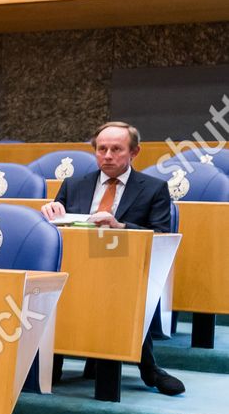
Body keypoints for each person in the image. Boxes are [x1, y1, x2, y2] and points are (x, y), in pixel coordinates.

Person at [41, 121, 183, 395]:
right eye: (101, 149)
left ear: (134, 152)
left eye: (116, 149)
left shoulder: (153, 188)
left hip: (126, 266)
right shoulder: (73, 185)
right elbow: (57, 233)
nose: (107, 155)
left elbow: (162, 235)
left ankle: (148, 368)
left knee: (123, 291)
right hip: (78, 267)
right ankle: (50, 364)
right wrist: (50, 213)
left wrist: (120, 227)